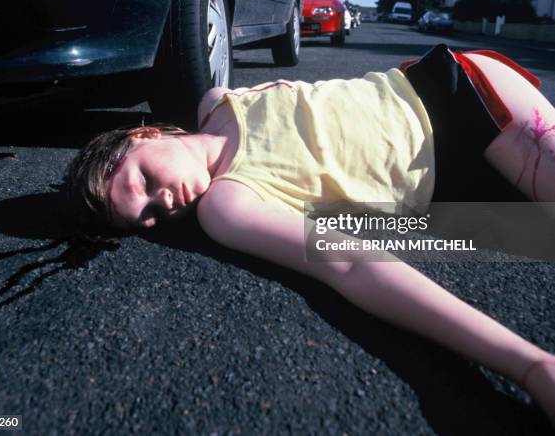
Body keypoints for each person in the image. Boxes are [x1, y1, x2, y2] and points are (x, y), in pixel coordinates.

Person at [64, 44, 555, 424]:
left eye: (146, 182)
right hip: (454, 171)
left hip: (448, 85)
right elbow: (352, 265)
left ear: (143, 134)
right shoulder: (228, 206)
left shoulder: (217, 101)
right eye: (147, 217)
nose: (162, 205)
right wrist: (528, 366)